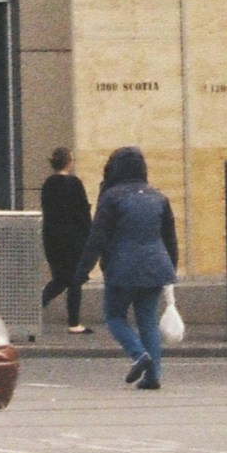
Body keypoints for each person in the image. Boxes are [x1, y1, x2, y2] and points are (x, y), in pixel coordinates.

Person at [78, 144, 179, 389]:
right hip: (156, 267)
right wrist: (171, 267)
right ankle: (153, 376)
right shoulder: (159, 197)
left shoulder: (112, 197)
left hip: (122, 267)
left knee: (114, 317)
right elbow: (170, 237)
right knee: (147, 321)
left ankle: (138, 354)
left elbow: (97, 237)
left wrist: (82, 270)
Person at [39, 147, 93, 334]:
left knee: (61, 279)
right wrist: (90, 237)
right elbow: (82, 213)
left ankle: (32, 309)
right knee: (74, 279)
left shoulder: (48, 184)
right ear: (68, 162)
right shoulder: (74, 184)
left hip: (52, 238)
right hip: (73, 238)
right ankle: (74, 323)